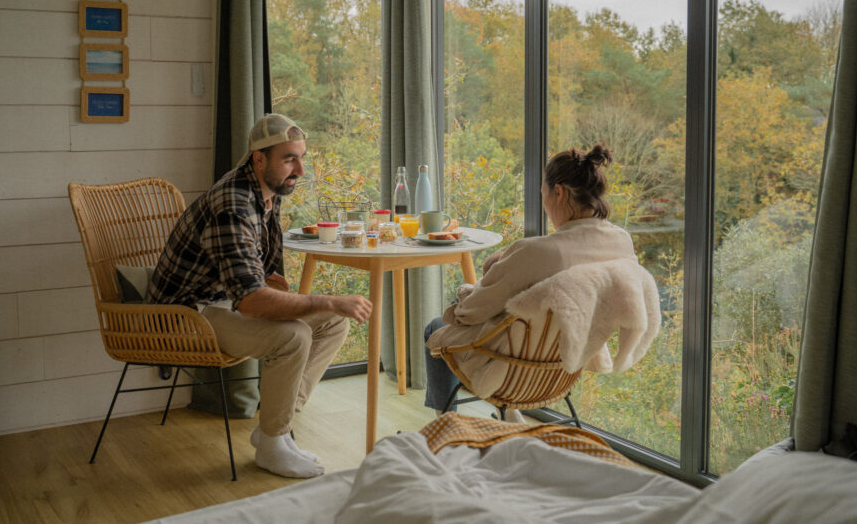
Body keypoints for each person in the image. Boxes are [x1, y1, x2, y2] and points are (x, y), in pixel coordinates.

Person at [147, 113, 372, 478]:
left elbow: (239, 270)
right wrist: (328, 299)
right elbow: (251, 302)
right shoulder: (232, 204)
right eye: (289, 159)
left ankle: (275, 431)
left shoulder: (268, 191)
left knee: (333, 323)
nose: (299, 169)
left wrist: (264, 276)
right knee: (296, 334)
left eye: (301, 157)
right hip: (183, 314)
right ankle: (272, 443)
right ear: (259, 158)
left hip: (218, 298)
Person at [424, 143, 638, 414]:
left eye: (543, 196)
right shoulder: (622, 242)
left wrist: (471, 288)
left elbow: (470, 313)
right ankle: (511, 419)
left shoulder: (536, 251)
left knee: (435, 327)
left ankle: (446, 424)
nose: (545, 206)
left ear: (558, 192)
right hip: (566, 366)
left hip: (511, 369)